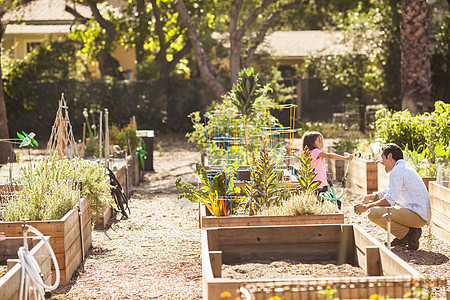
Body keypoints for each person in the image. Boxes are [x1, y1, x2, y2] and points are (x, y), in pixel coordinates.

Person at [354, 143, 431, 250]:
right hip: (418, 213)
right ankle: (407, 234)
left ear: (390, 156)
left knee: (373, 213)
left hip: (417, 215)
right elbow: (391, 192)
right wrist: (371, 196)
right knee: (378, 210)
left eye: (382, 157)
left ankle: (408, 234)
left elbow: (389, 200)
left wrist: (367, 206)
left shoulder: (398, 170)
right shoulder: (403, 167)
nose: (381, 162)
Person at [302, 131, 352, 195]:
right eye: (319, 142)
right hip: (320, 185)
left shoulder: (309, 153)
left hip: (316, 185)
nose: (322, 143)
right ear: (311, 144)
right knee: (335, 202)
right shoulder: (315, 152)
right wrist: (345, 158)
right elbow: (328, 155)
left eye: (322, 141)